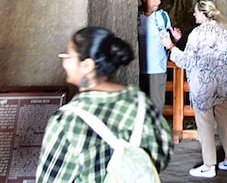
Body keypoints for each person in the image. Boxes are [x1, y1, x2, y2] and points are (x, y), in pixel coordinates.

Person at [36, 27, 172, 182]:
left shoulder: (67, 120)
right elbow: (162, 153)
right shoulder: (140, 102)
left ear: (86, 65)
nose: (64, 61)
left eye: (68, 55)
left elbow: (51, 178)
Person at [161, 0, 227, 178]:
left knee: (205, 123)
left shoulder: (197, 34)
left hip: (203, 84)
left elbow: (187, 61)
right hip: (222, 81)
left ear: (203, 14)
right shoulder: (225, 30)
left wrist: (171, 46)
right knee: (224, 120)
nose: (193, 14)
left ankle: (209, 165)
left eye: (196, 11)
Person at [138, 0, 180, 112]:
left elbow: (168, 42)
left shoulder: (162, 16)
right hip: (138, 69)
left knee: (156, 108)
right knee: (140, 108)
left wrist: (175, 38)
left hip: (157, 68)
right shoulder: (136, 16)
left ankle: (156, 132)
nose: (158, 1)